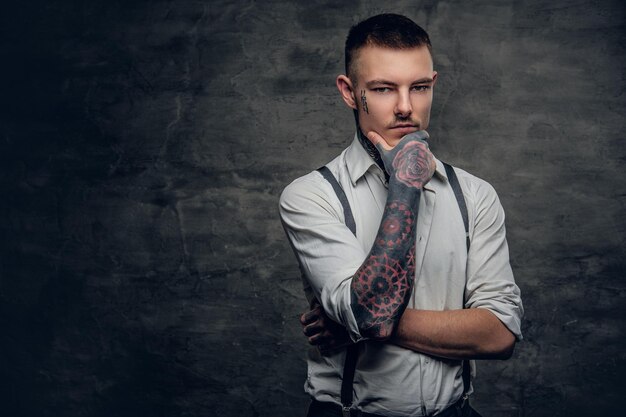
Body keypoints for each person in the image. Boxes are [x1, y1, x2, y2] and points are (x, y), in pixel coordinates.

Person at [279, 13, 523, 417]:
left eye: (420, 87)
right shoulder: (310, 196)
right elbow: (368, 312)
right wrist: (406, 185)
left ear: (433, 85)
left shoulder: (476, 196)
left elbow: (499, 336)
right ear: (349, 91)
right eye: (383, 89)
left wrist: (353, 323)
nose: (406, 107)